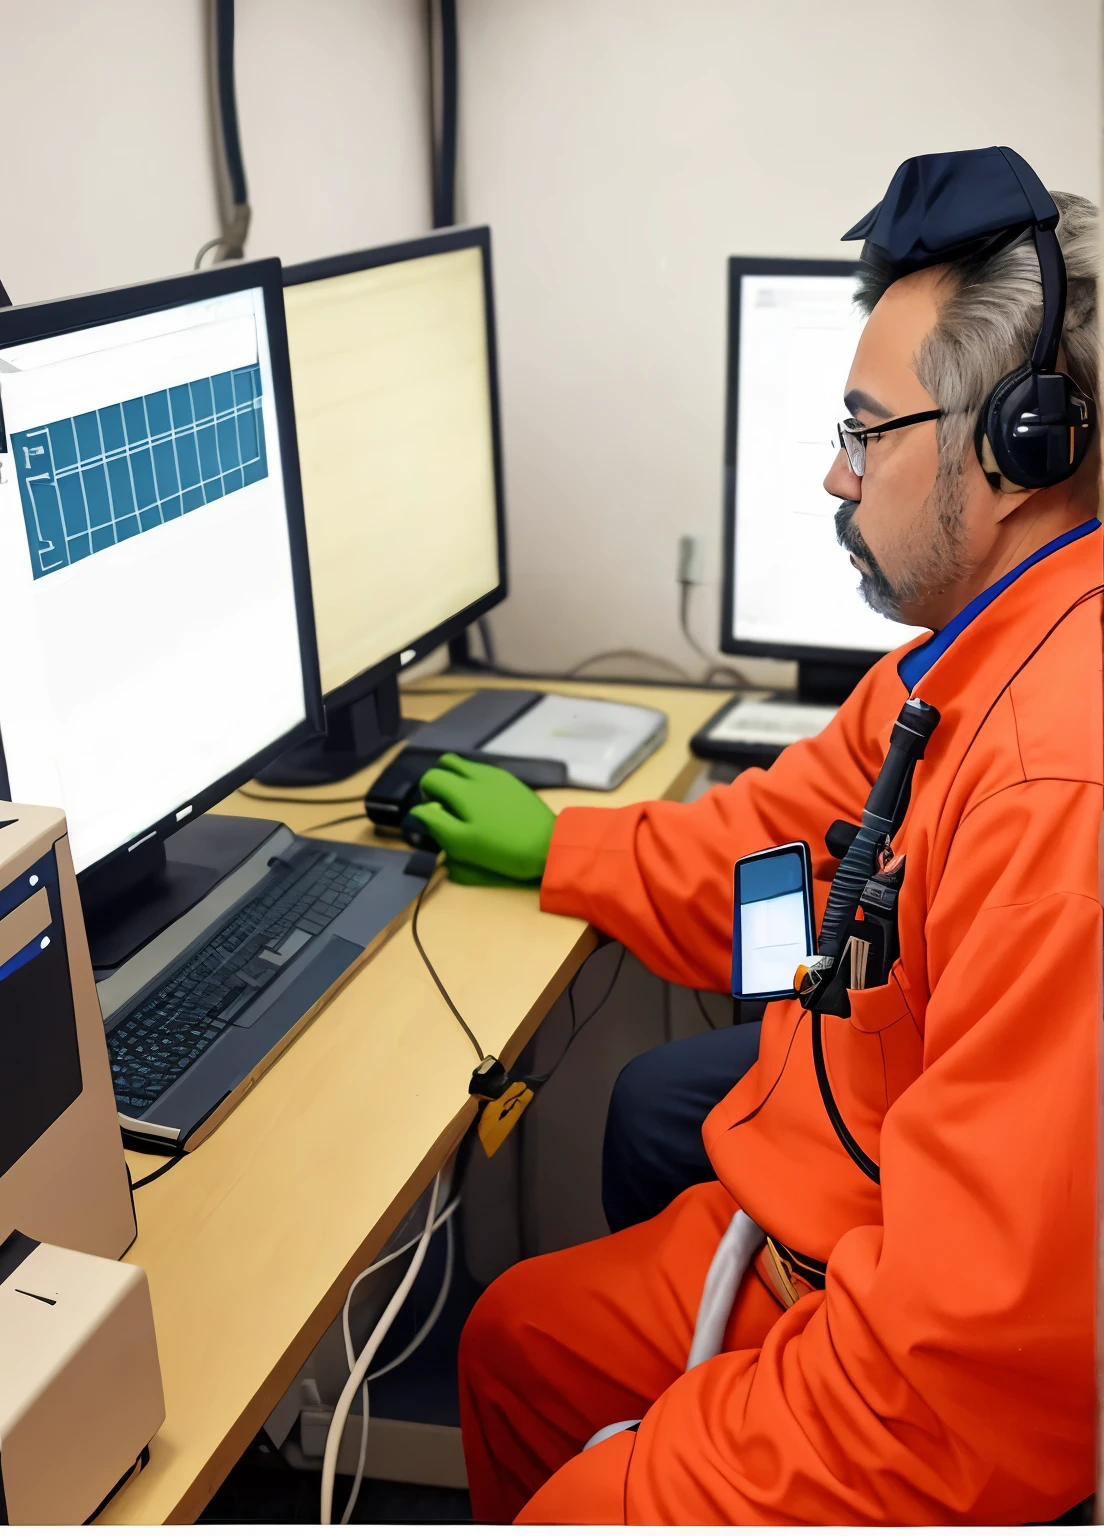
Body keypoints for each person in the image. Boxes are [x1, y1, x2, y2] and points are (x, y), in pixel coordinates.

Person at [409, 147, 1103, 1523]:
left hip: (905, 1356)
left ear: (1018, 448)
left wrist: (666, 1462)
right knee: (514, 1349)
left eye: (863, 431)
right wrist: (561, 851)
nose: (835, 479)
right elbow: (774, 855)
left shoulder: (1056, 793)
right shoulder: (946, 676)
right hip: (821, 1233)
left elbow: (960, 1381)